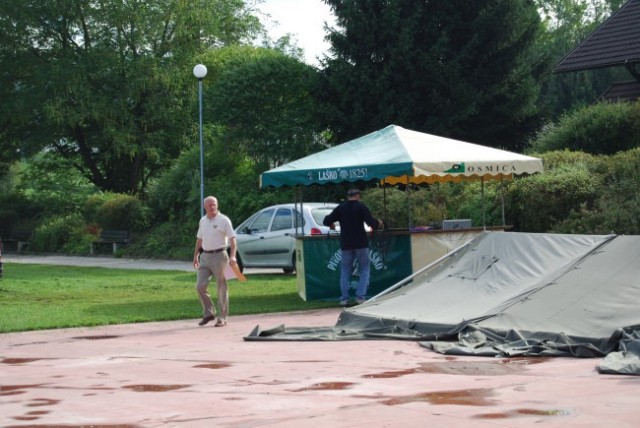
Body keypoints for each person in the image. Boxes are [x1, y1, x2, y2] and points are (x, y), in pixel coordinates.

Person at [323, 188, 383, 306]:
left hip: (346, 244)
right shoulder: (361, 207)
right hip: (361, 243)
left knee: (345, 271)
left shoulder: (341, 208)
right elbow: (372, 223)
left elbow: (326, 221)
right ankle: (360, 297)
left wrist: (331, 223)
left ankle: (344, 299)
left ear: (348, 196)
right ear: (358, 196)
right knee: (364, 269)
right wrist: (379, 222)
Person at [193, 196, 237, 327]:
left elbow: (233, 240)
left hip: (220, 256)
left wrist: (233, 256)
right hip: (205, 256)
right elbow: (199, 239)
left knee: (221, 287)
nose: (212, 207)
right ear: (204, 206)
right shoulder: (203, 221)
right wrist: (195, 255)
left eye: (214, 204)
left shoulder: (224, 220)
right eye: (210, 205)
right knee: (200, 286)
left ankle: (222, 317)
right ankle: (209, 313)